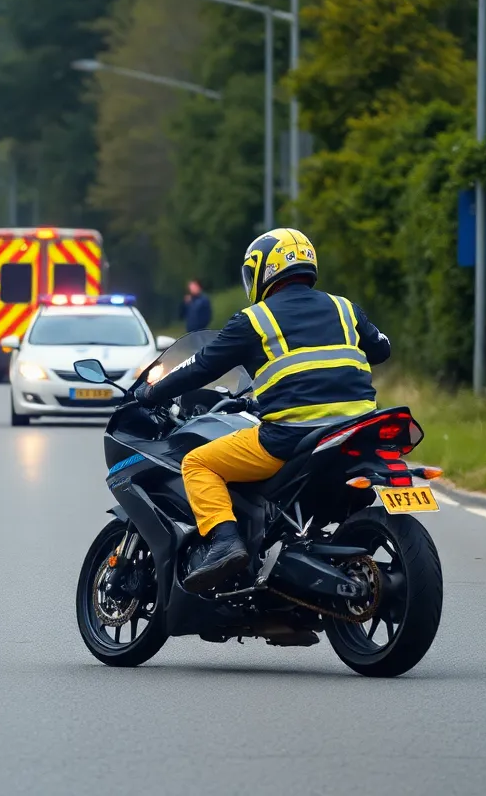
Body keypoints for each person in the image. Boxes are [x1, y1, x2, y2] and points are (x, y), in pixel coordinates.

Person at [135, 228, 391, 592]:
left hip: (292, 436)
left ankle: (225, 543)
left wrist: (151, 392)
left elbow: (200, 367)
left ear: (263, 272)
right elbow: (381, 349)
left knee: (197, 463)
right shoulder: (345, 308)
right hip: (359, 428)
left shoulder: (255, 320)